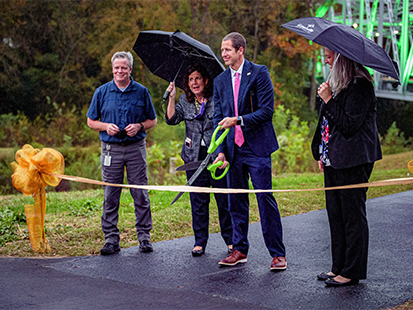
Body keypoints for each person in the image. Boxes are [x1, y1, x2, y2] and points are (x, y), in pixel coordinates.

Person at [212, 32, 286, 270]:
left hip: (257, 148)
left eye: (227, 50)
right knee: (235, 201)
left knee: (265, 198)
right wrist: (220, 152)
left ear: (240, 50)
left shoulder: (259, 73)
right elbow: (217, 118)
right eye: (222, 50)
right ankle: (239, 250)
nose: (224, 54)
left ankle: (277, 254)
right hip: (232, 150)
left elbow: (267, 112)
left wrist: (238, 120)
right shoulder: (220, 81)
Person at [311, 48, 382, 286]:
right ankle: (338, 266)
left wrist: (329, 99)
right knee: (335, 214)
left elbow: (349, 125)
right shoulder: (338, 84)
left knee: (352, 216)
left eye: (330, 55)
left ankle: (351, 271)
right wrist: (322, 151)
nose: (326, 59)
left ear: (343, 58)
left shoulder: (361, 86)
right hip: (334, 158)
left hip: (354, 159)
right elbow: (327, 123)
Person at [87, 51, 157, 255]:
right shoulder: (101, 92)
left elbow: (152, 120)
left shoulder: (142, 92)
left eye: (123, 68)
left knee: (140, 194)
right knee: (110, 195)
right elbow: (91, 121)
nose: (120, 71)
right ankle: (111, 240)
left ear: (130, 70)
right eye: (116, 67)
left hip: (136, 149)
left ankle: (144, 237)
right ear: (112, 69)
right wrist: (105, 126)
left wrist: (139, 126)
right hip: (111, 150)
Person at [165, 63, 233, 256]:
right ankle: (200, 241)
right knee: (198, 202)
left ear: (206, 80)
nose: (194, 83)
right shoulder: (184, 101)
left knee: (223, 201)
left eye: (197, 78)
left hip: (216, 157)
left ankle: (230, 240)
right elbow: (171, 119)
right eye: (190, 79)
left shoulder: (216, 99)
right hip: (193, 158)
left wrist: (223, 153)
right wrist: (171, 98)